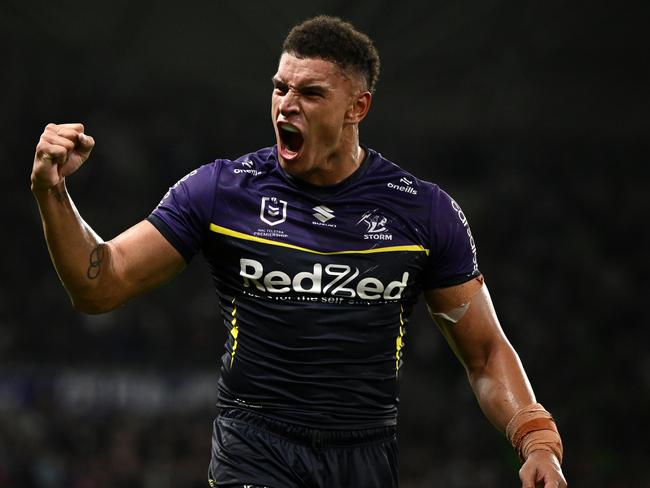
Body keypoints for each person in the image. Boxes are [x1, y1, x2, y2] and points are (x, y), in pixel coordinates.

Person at [31, 15, 566, 488]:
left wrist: (536, 438)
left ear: (358, 106)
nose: (287, 104)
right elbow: (100, 284)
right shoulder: (222, 190)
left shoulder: (423, 213)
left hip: (367, 453)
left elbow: (485, 352)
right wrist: (52, 193)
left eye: (310, 93)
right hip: (254, 444)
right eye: (280, 87)